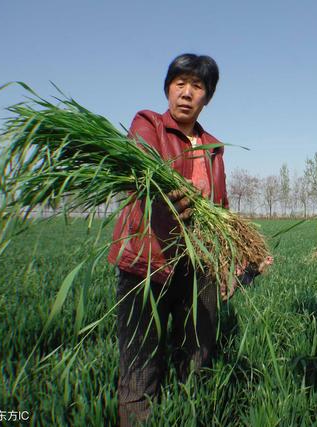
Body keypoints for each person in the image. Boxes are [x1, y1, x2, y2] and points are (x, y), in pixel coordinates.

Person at [107, 53, 227, 426]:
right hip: (148, 260)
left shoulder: (213, 146)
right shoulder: (148, 124)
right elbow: (143, 167)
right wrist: (171, 192)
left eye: (198, 86)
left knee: (197, 352)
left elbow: (219, 205)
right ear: (168, 88)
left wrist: (236, 249)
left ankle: (186, 413)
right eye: (180, 84)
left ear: (207, 96)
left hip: (196, 266)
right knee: (141, 357)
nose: (187, 93)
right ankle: (137, 418)